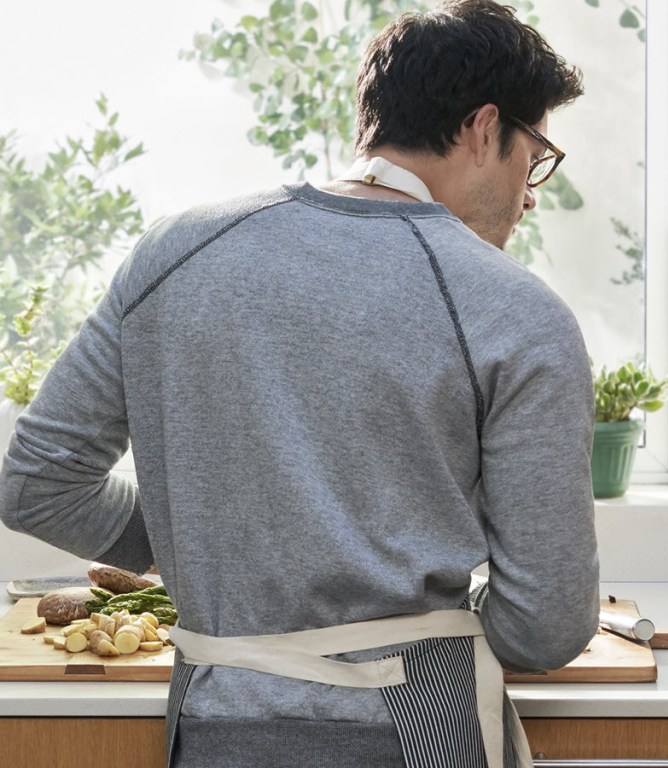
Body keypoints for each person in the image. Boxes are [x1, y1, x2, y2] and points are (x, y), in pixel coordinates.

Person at [0, 1, 600, 766]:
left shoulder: (175, 253)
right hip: (418, 735)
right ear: (486, 130)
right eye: (534, 156)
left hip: (216, 729)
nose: (531, 191)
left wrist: (226, 542)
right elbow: (546, 625)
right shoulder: (515, 310)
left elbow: (41, 484)